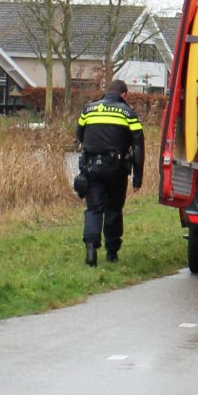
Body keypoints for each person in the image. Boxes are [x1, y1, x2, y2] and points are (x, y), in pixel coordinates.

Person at [75, 79, 145, 267]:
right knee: (113, 209)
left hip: (91, 168)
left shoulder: (88, 110)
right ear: (124, 94)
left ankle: (91, 247)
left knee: (93, 209)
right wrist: (137, 179)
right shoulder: (128, 113)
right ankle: (112, 252)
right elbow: (138, 148)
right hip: (116, 169)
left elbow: (79, 135)